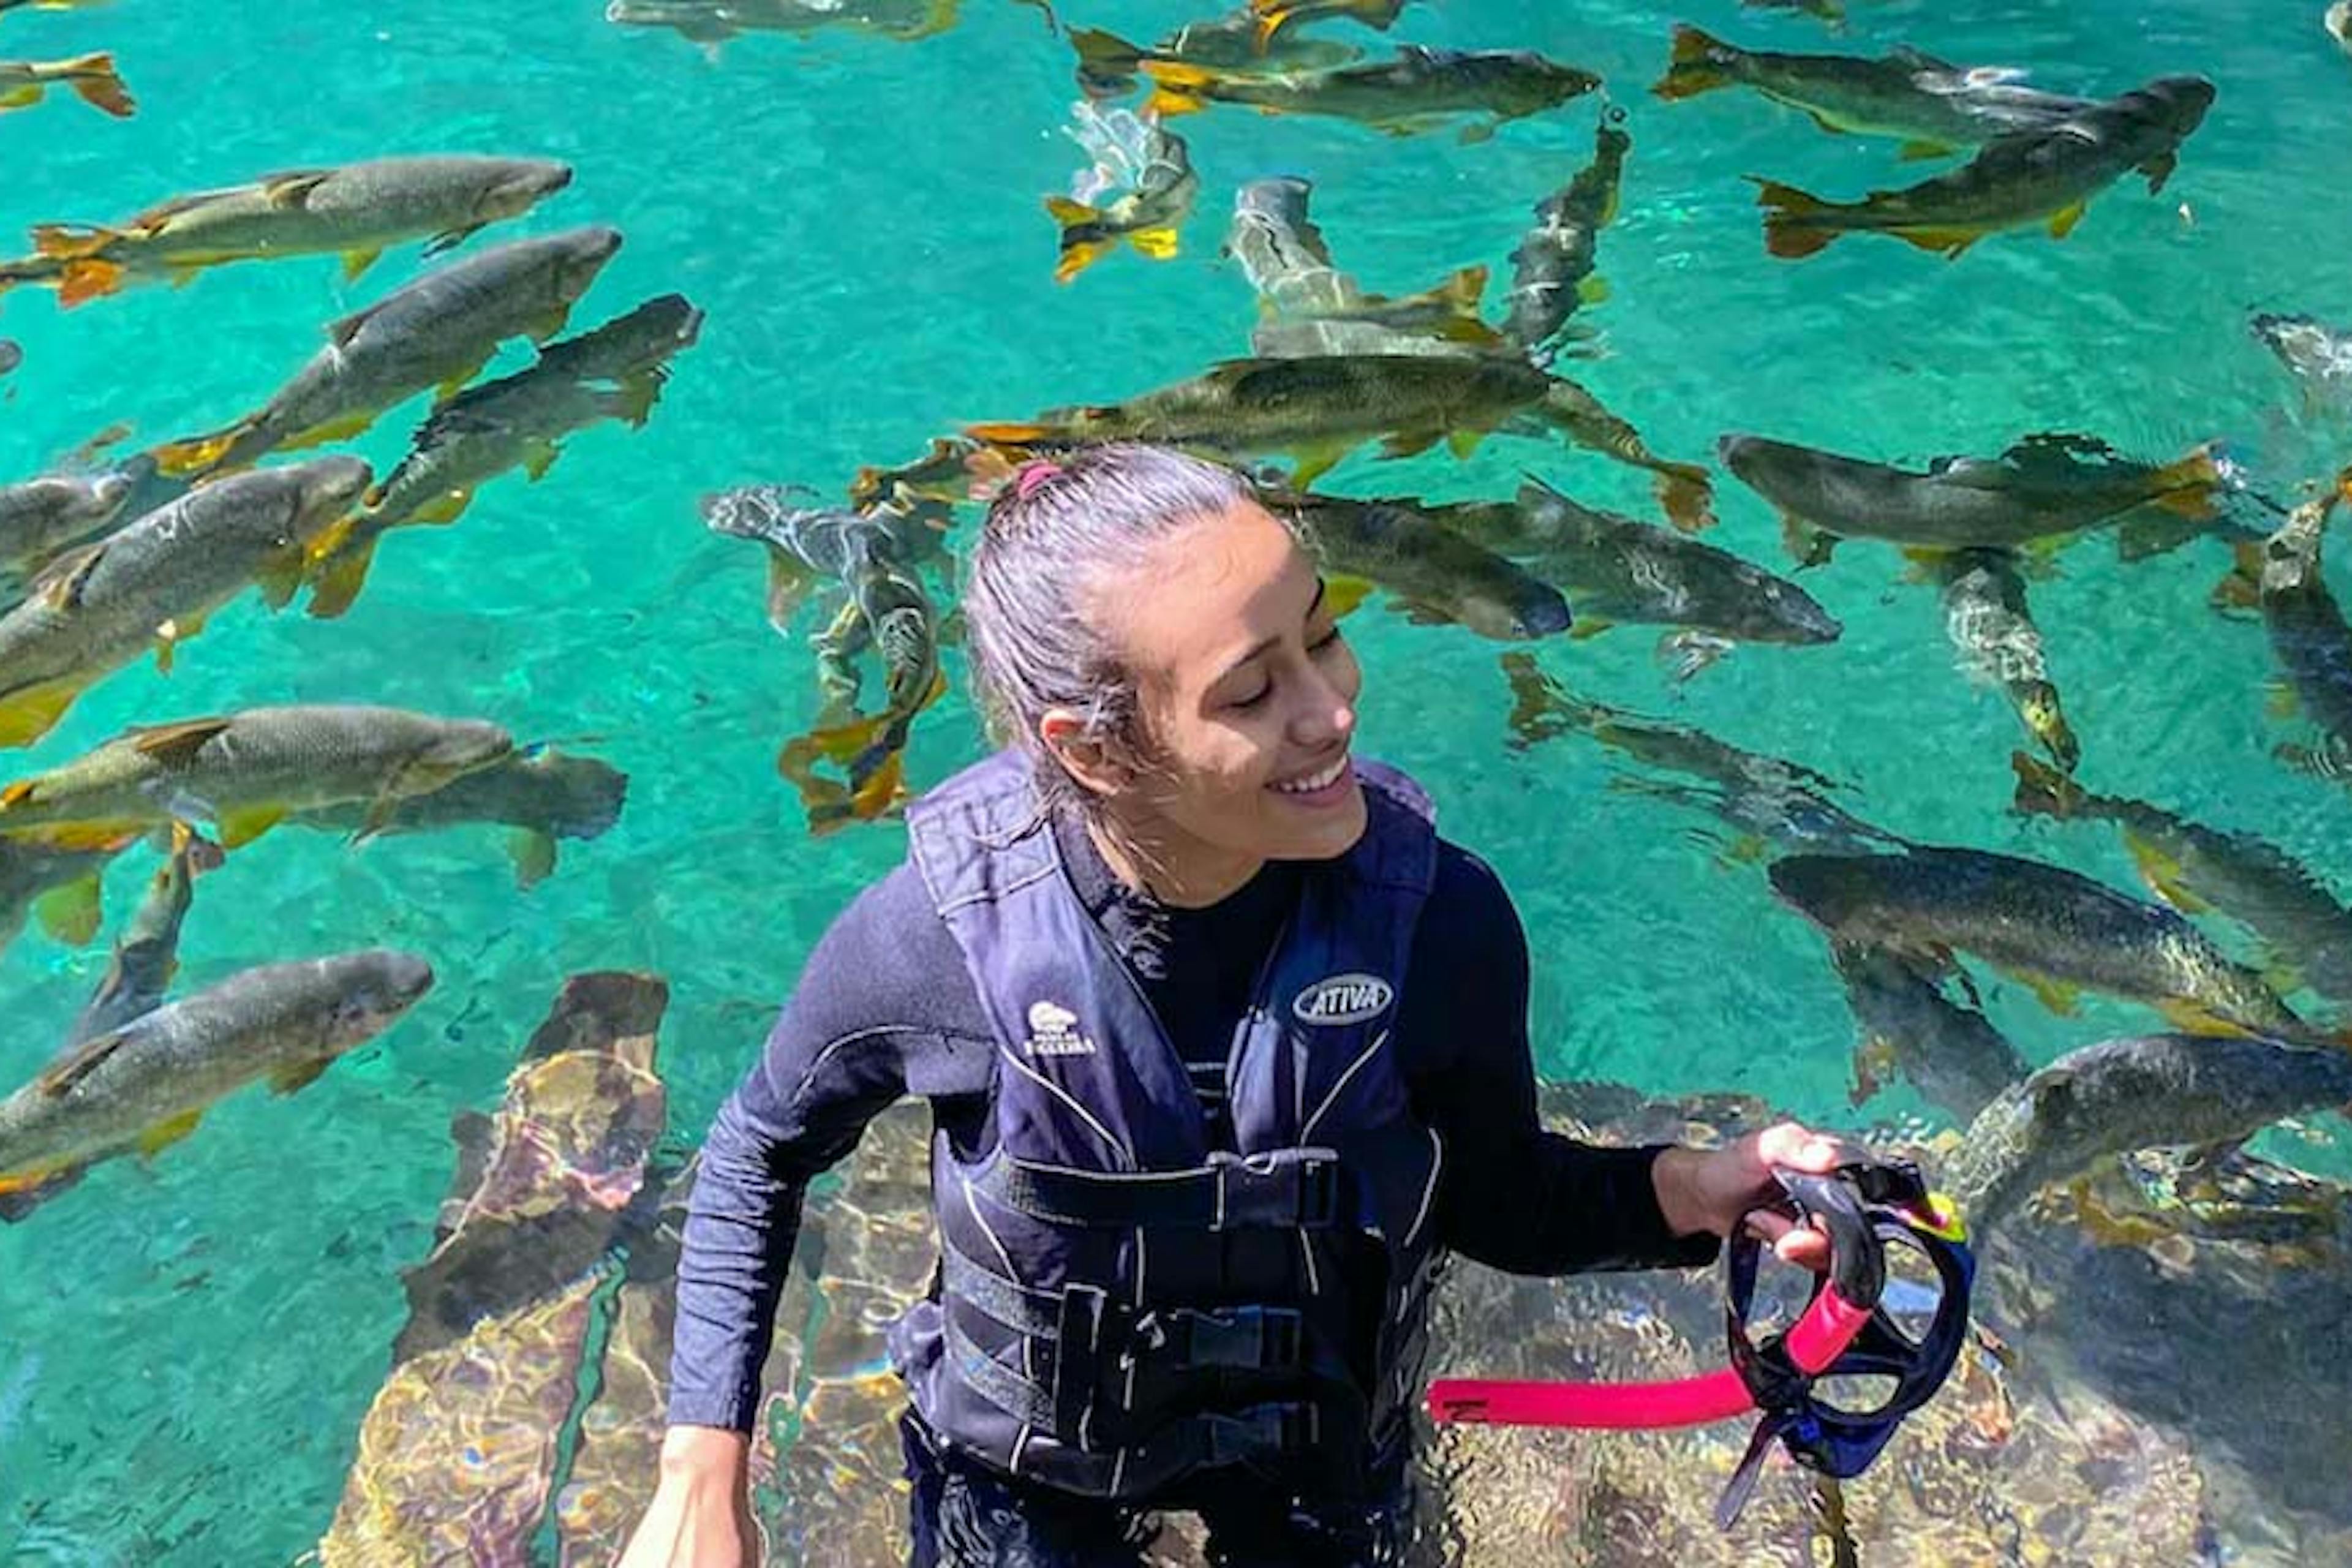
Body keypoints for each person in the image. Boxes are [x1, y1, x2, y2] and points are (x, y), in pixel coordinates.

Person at [621, 444, 1852, 1568]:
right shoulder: (942, 939)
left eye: (1325, 635)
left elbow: (1499, 1194)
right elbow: (761, 1144)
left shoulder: (1439, 923)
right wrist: (699, 1464)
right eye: (1253, 692)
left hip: (1317, 1459)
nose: (1331, 710)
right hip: (1027, 1469)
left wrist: (1694, 1190)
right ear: (1096, 751)